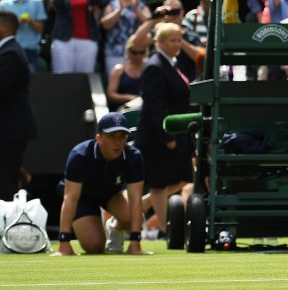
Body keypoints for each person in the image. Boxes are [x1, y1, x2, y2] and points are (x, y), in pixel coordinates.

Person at [54, 112, 148, 255]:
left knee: (134, 218)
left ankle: (115, 227)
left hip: (111, 193)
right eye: (112, 136)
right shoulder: (79, 155)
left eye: (122, 136)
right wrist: (64, 242)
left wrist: (135, 243)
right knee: (95, 247)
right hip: (82, 198)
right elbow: (70, 198)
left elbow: (135, 200)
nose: (118, 142)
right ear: (99, 138)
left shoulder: (134, 157)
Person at [136, 22, 193, 235]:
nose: (177, 44)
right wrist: (166, 134)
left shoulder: (172, 63)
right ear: (159, 42)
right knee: (158, 183)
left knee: (183, 178)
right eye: (172, 40)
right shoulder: (154, 66)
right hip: (157, 138)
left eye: (179, 40)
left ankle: (140, 206)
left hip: (177, 133)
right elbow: (155, 105)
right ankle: (166, 228)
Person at [0, 11, 35, 200]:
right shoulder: (8, 51)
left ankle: (7, 228)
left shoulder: (11, 53)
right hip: (7, 130)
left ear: (5, 27)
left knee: (5, 183)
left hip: (9, 131)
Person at [50, 0, 101, 74]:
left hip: (88, 39)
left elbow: (99, 2)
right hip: (64, 39)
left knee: (85, 78)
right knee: (63, 78)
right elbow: (56, 4)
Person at [0, 0, 45, 70]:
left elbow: (40, 28)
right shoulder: (3, 4)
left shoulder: (37, 1)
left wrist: (30, 22)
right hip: (6, 51)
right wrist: (16, 23)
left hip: (30, 52)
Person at [106, 36, 145, 110]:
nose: (138, 56)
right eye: (134, 52)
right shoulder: (118, 69)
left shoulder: (149, 69)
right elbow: (111, 95)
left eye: (141, 52)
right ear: (128, 51)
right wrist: (131, 98)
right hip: (122, 110)